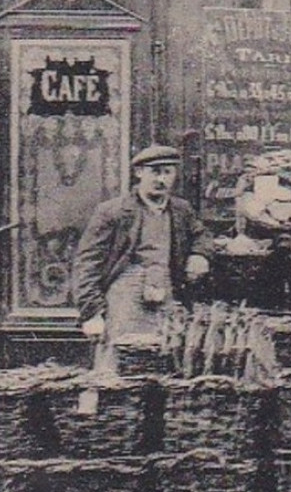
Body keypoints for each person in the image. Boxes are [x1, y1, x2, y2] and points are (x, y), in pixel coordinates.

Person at [72, 144, 212, 371]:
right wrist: (92, 313)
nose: (162, 179)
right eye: (155, 171)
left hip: (167, 294)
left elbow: (202, 235)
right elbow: (87, 263)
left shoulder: (181, 210)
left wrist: (200, 254)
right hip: (125, 298)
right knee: (117, 360)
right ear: (139, 173)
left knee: (166, 355)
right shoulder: (113, 211)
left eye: (168, 172)